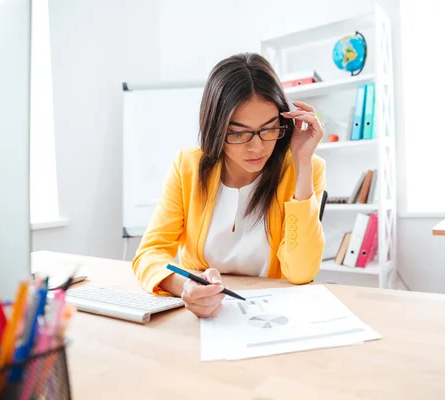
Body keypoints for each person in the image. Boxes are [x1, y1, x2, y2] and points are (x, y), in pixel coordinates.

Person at [132, 52, 326, 318]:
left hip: (273, 315)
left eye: (269, 128)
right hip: (205, 316)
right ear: (216, 128)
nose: (257, 146)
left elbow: (302, 272)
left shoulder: (302, 168)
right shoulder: (187, 166)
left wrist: (303, 162)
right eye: (238, 132)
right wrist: (185, 286)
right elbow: (149, 253)